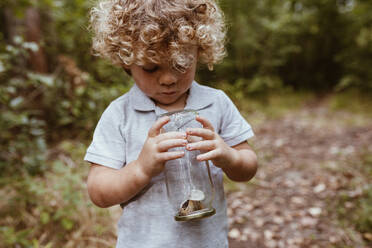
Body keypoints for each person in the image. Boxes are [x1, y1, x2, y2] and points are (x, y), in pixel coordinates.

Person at [84, 0, 258, 247]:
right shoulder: (120, 115)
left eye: (181, 64)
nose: (167, 79)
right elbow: (98, 191)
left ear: (199, 52)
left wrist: (229, 156)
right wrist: (141, 169)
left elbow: (248, 165)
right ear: (126, 60)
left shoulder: (216, 103)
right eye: (151, 67)